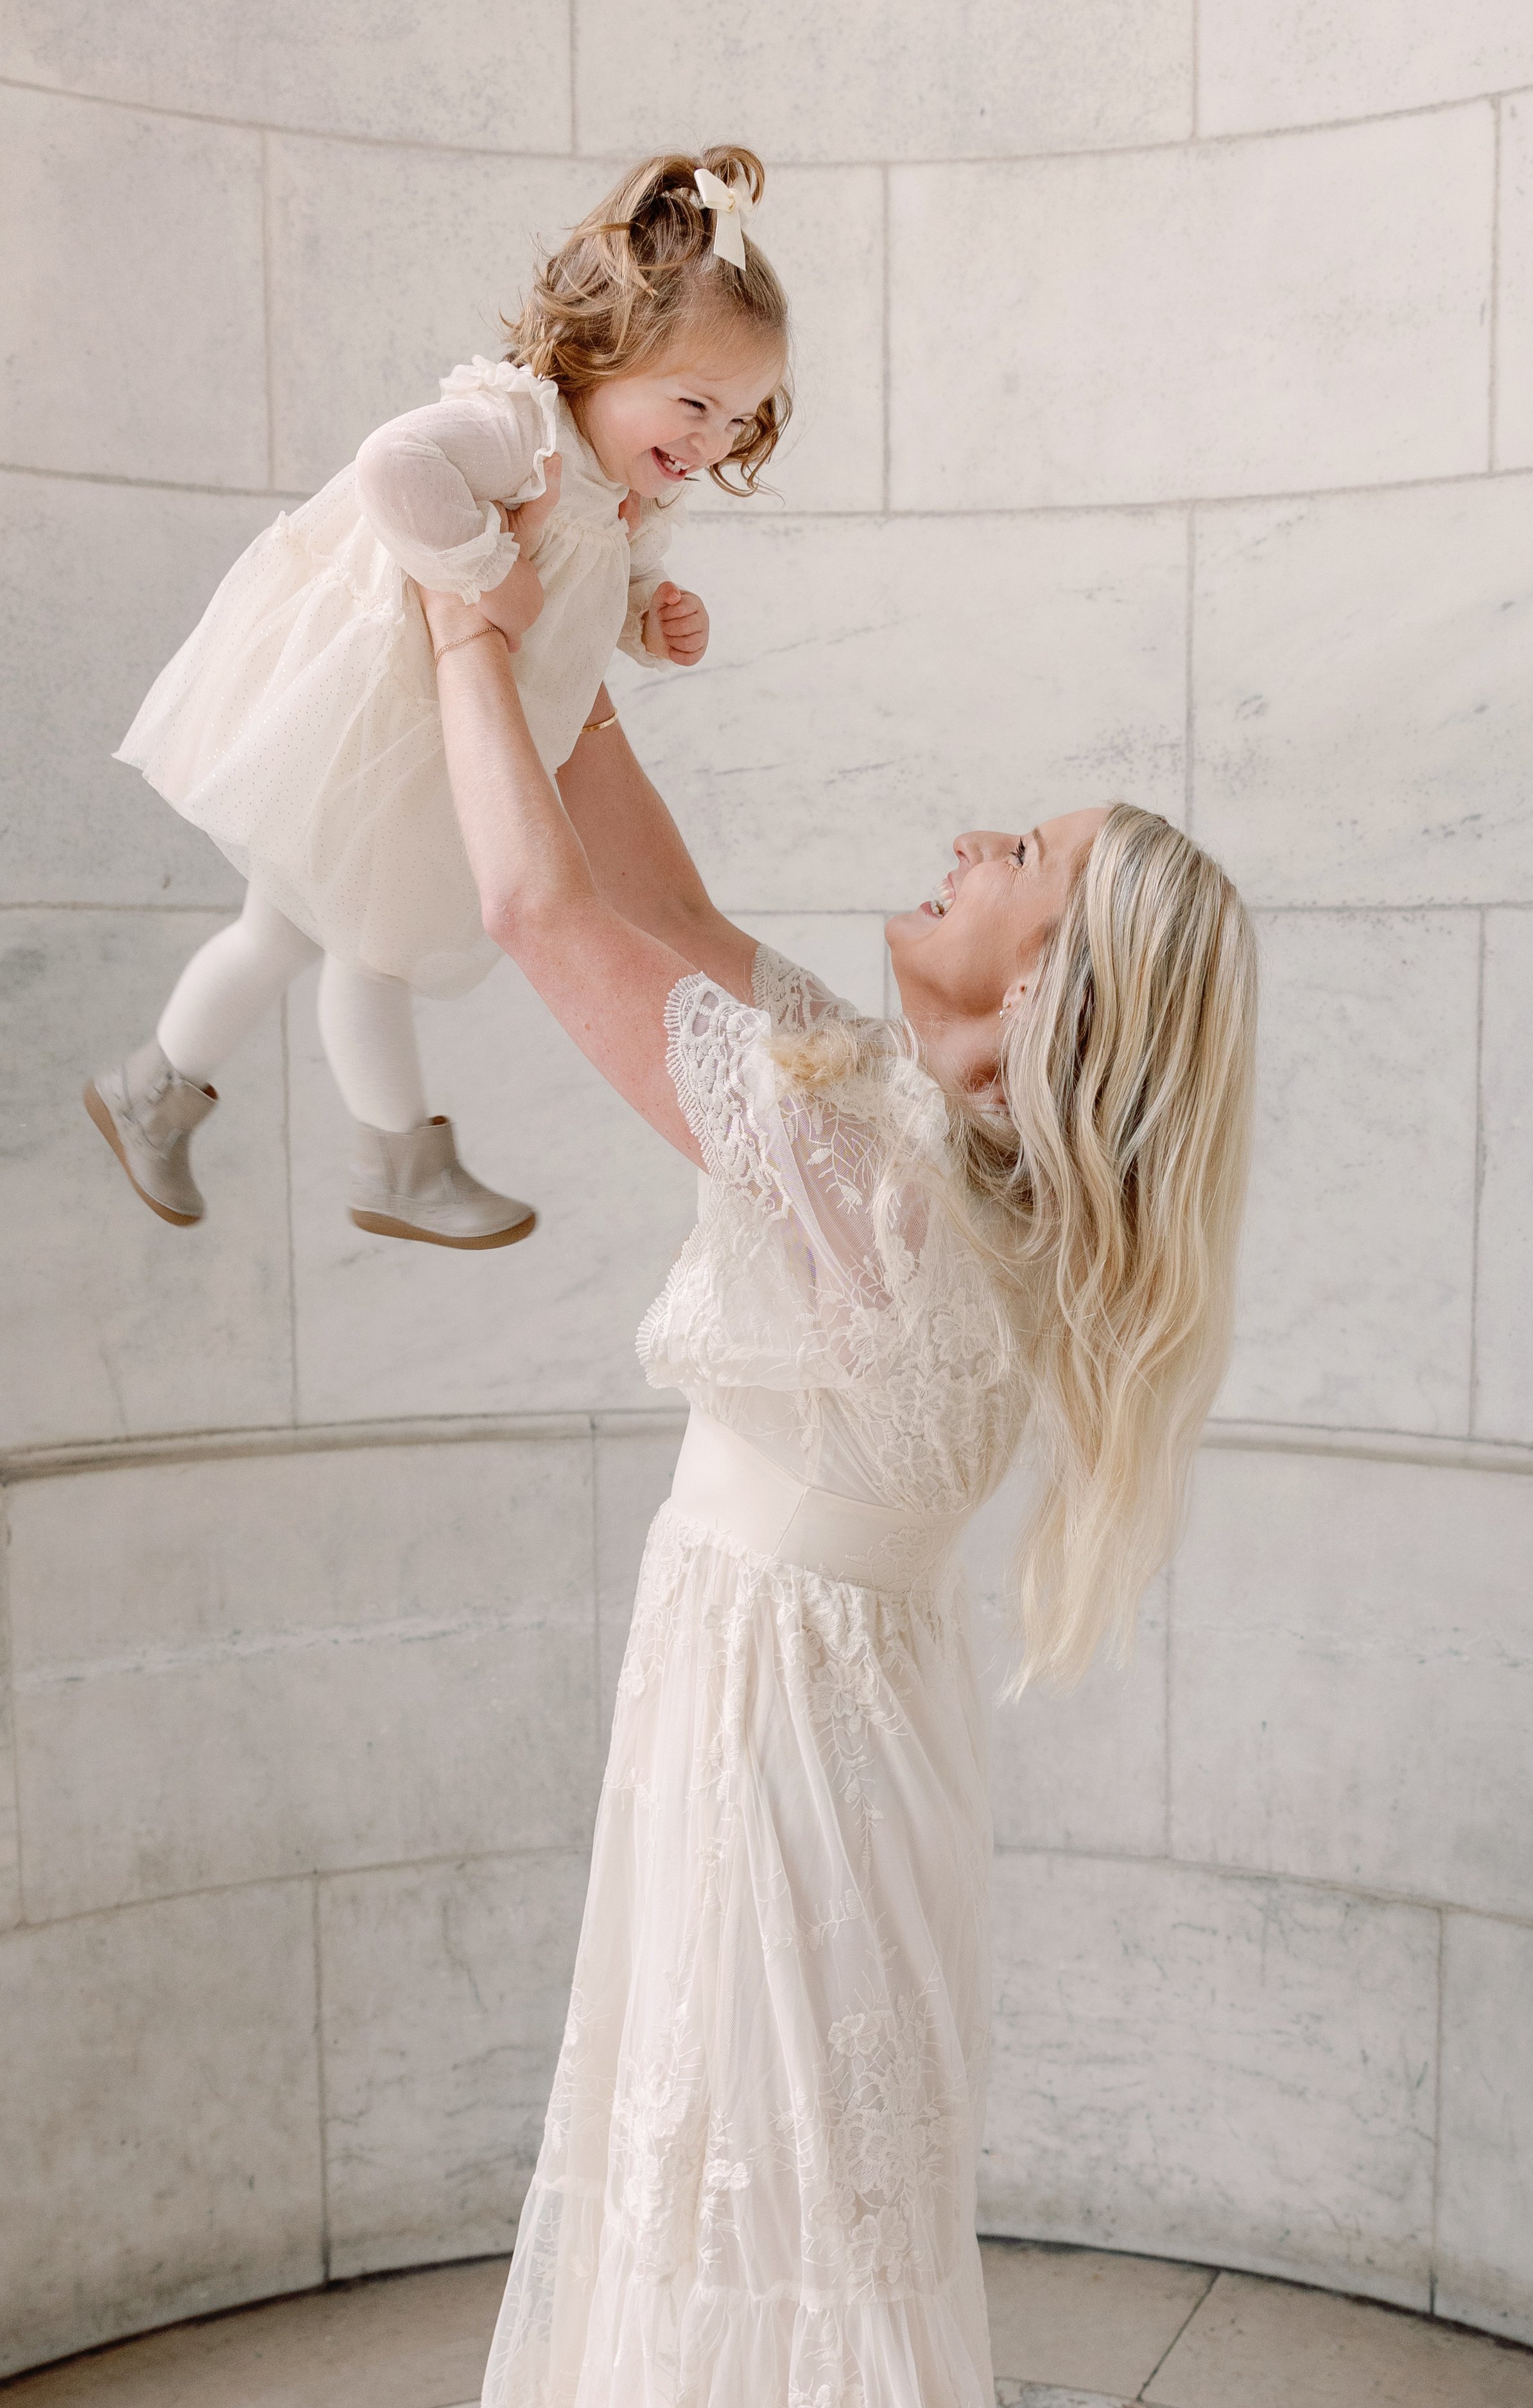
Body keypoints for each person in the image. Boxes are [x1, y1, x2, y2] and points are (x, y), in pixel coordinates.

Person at [420, 568, 1259, 2404]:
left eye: (1018, 850)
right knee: (786, 2211)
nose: (971, 837)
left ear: (1037, 975)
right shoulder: (921, 1142)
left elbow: (536, 902)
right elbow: (673, 908)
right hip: (823, 1716)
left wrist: (456, 616)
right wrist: (573, 628)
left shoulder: (859, 1161)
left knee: (747, 2199)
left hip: (776, 1734)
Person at [86, 147, 788, 1248]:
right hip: (379, 731)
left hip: (441, 758)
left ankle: (200, 1102)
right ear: (605, 357)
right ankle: (350, 1146)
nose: (710, 440)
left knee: (340, 946)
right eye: (694, 402)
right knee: (328, 943)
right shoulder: (526, 428)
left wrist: (651, 623)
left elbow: (595, 597)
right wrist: (479, 568)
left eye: (738, 419)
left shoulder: (626, 497)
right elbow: (390, 466)